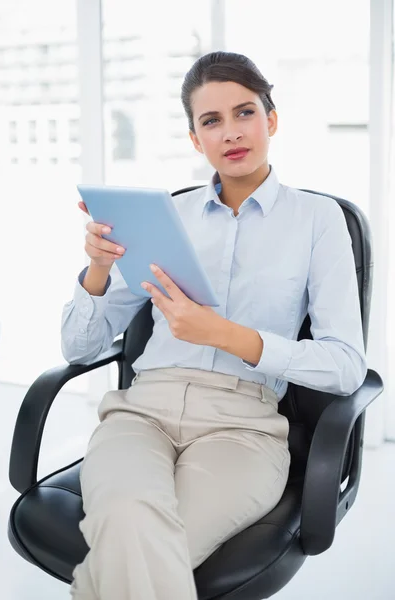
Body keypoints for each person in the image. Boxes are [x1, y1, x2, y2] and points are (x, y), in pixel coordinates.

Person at [62, 51, 367, 600]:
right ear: (194, 138)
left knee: (133, 548)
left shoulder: (318, 220)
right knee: (134, 524)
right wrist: (99, 268)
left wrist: (225, 335)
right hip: (142, 414)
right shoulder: (167, 216)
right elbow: (78, 345)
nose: (231, 132)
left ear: (271, 120)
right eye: (211, 121)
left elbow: (346, 367)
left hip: (243, 428)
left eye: (244, 112)